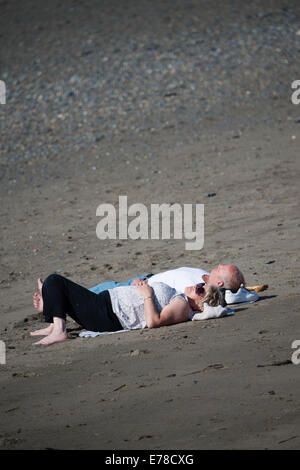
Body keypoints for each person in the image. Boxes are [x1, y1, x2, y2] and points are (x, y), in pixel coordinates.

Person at [30, 274, 223, 346]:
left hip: (108, 314)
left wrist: (147, 294)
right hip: (106, 306)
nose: (195, 286)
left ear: (200, 305)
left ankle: (59, 329)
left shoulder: (182, 307)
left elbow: (153, 322)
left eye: (200, 290)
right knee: (53, 285)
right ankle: (53, 320)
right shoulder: (180, 298)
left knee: (55, 281)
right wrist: (140, 284)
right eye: (199, 284)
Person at [89, 265, 258, 304]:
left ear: (219, 282)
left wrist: (138, 285)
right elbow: (246, 293)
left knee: (89, 295)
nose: (219, 265)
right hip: (146, 277)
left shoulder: (198, 290)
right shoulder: (205, 277)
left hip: (136, 287)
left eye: (222, 268)